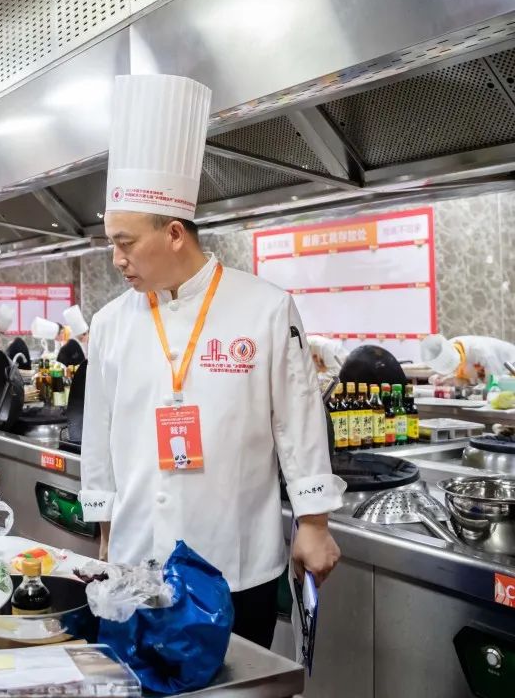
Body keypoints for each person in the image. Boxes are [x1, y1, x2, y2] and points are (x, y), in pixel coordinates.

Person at [79, 74, 344, 650]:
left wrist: (315, 523)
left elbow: (297, 419)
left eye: (125, 242)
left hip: (237, 564)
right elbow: (99, 437)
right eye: (111, 243)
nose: (116, 259)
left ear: (175, 233)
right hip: (136, 563)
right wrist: (105, 535)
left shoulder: (266, 307)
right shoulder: (110, 323)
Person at [421, 334, 515, 386]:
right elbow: (469, 379)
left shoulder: (480, 353)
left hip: (510, 367)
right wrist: (447, 380)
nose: (455, 371)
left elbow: (495, 384)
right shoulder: (451, 348)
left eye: (455, 368)